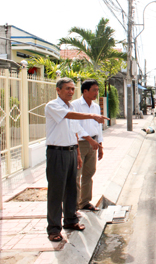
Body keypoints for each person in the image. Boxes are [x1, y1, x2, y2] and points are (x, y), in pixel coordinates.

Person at [45, 77, 108, 242]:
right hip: (57, 153)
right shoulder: (53, 105)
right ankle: (53, 229)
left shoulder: (70, 106)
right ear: (58, 90)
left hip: (72, 151)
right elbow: (69, 116)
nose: (71, 92)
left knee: (72, 189)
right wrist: (92, 116)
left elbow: (75, 131)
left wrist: (78, 153)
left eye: (72, 89)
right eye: (67, 88)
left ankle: (70, 221)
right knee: (56, 192)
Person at [72, 79, 103, 212]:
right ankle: (73, 206)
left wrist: (100, 145)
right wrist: (90, 140)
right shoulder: (76, 105)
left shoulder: (96, 107)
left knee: (89, 173)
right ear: (85, 91)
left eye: (97, 90)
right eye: (94, 90)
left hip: (94, 143)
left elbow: (98, 126)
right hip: (81, 143)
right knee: (77, 174)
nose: (96, 92)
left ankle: (85, 202)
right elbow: (75, 126)